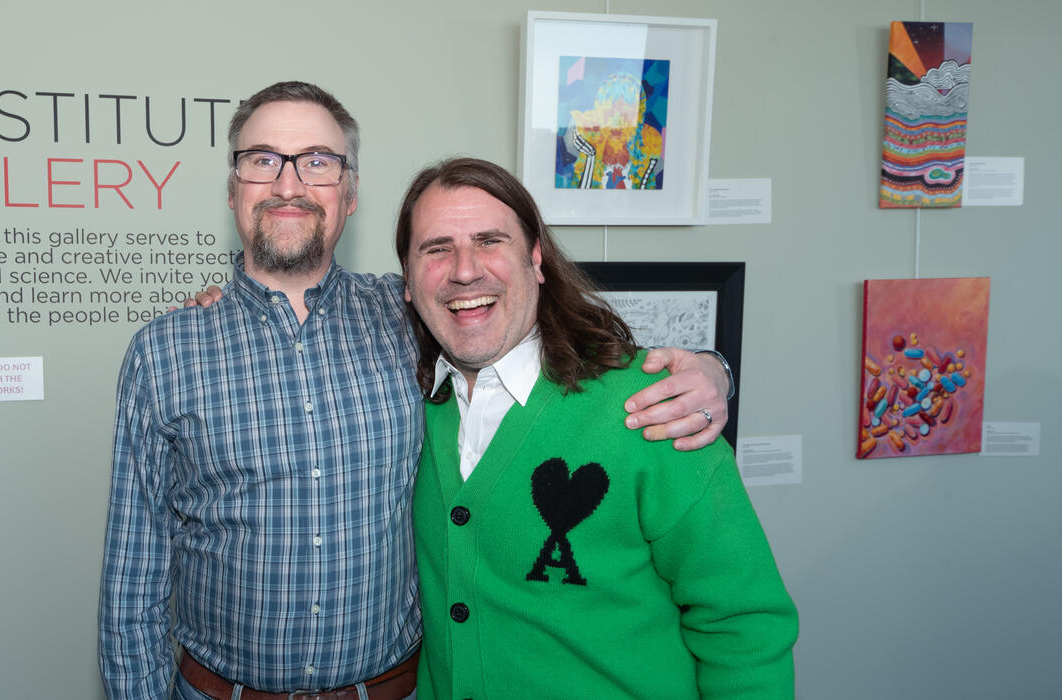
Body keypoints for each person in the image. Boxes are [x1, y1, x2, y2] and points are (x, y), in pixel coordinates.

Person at [98, 81, 732, 700]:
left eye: (318, 162)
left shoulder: (413, 318)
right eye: (262, 161)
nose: (288, 183)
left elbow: (543, 329)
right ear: (234, 187)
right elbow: (133, 578)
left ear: (349, 194)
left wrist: (709, 368)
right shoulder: (165, 352)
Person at [396, 157, 797, 698]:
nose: (465, 270)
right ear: (407, 280)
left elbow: (743, 624)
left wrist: (715, 371)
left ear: (536, 259)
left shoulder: (653, 407)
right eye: (437, 248)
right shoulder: (402, 406)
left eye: (491, 241)